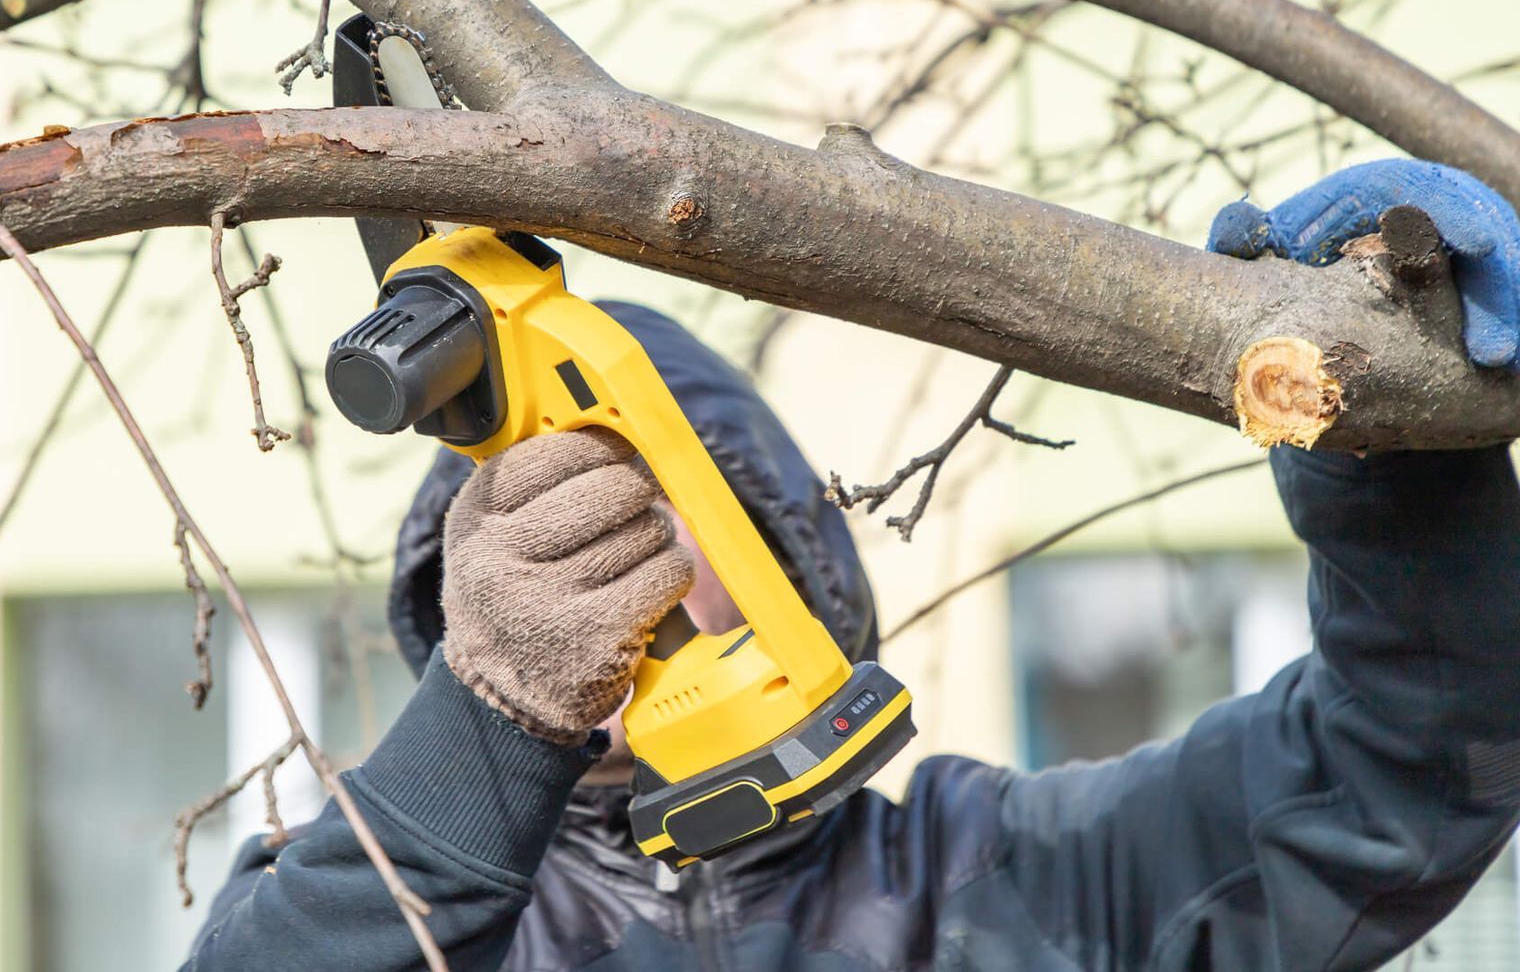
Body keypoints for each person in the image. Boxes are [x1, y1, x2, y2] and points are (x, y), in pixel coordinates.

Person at [184, 160, 1520, 971]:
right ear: (472, 572)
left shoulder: (1001, 890)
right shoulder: (392, 909)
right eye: (582, 514)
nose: (642, 564)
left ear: (796, 563)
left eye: (687, 512)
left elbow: (1409, 770)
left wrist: (1392, 436)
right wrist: (486, 731)